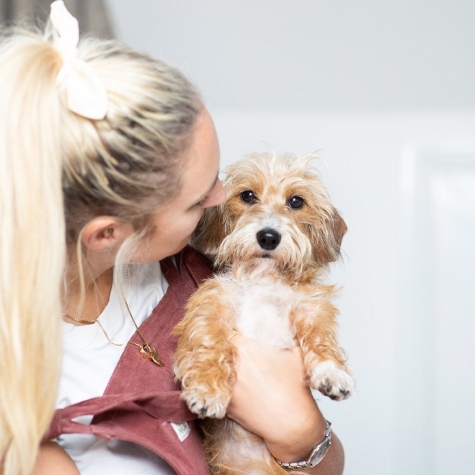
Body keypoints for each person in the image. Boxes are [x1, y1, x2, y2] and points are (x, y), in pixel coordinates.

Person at [0, 2, 345, 475]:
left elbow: (327, 464)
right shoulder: (21, 380)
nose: (223, 199)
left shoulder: (201, 275)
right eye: (198, 198)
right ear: (108, 234)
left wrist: (301, 432)